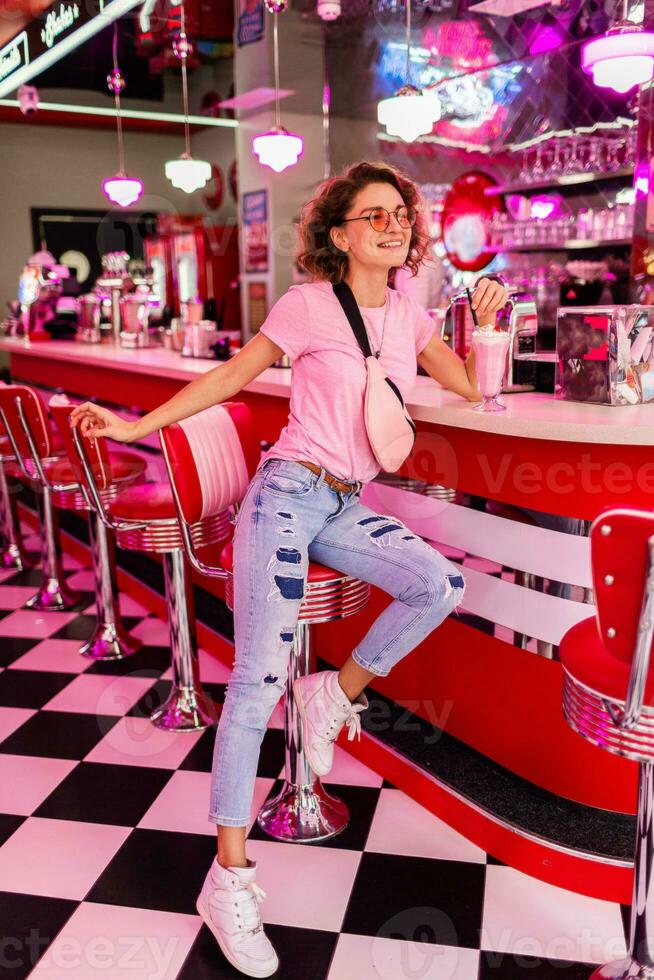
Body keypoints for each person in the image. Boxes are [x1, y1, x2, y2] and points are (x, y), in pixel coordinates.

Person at [71, 160, 508, 978]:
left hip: (344, 502)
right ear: (338, 235)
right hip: (285, 496)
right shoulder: (308, 305)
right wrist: (136, 431)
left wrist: (483, 318)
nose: (392, 225)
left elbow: (469, 387)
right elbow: (235, 375)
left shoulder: (409, 314)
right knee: (254, 684)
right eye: (373, 215)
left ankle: (332, 694)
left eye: (400, 214)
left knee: (440, 583)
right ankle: (228, 880)